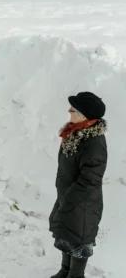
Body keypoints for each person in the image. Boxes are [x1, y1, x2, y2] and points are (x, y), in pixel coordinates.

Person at [49, 92, 107, 278]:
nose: (69, 111)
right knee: (67, 234)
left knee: (79, 239)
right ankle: (65, 270)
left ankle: (75, 274)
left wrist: (70, 198)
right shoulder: (75, 133)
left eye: (73, 109)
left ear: (84, 115)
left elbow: (91, 178)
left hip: (83, 202)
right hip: (69, 197)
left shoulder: (93, 142)